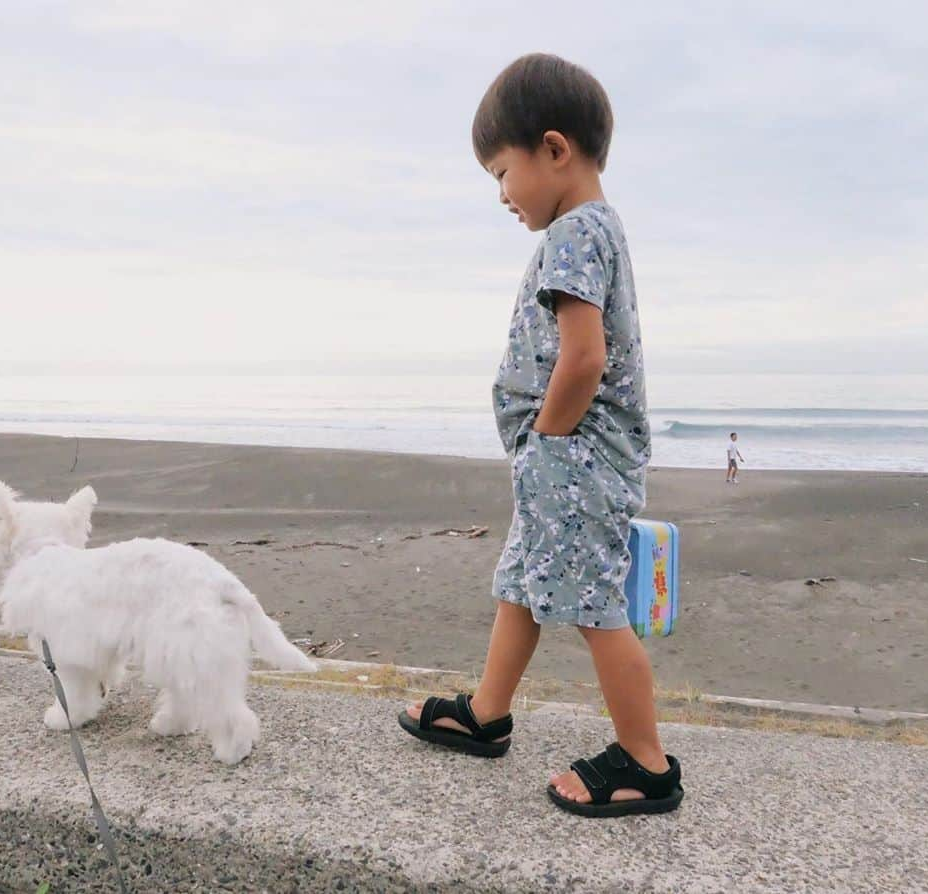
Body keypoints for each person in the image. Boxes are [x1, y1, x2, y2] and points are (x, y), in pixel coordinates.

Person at [397, 53, 682, 817]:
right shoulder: (597, 228)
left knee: (593, 605)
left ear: (553, 150)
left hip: (574, 454)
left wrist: (548, 440)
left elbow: (585, 358)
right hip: (571, 456)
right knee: (522, 581)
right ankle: (486, 713)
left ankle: (646, 762)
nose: (500, 194)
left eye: (500, 172)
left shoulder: (571, 235)